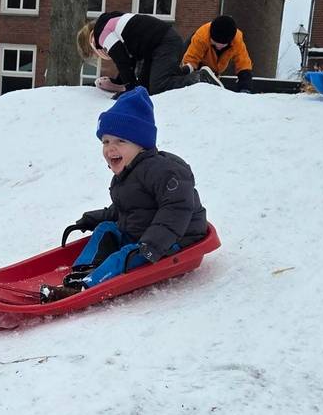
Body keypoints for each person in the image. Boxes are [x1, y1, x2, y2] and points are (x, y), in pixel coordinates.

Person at [40, 87, 208, 303]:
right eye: (106, 141)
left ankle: (85, 288)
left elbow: (176, 210)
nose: (111, 148)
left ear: (141, 145)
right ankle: (83, 272)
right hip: (142, 232)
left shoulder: (164, 171)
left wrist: (152, 245)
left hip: (174, 239)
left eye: (120, 141)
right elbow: (126, 209)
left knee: (125, 254)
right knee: (105, 229)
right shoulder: (127, 172)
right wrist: (94, 218)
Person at [77, 12, 221, 96]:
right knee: (146, 89)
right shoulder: (110, 23)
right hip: (158, 45)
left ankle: (199, 77)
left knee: (159, 86)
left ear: (91, 46)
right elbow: (129, 60)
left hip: (163, 43)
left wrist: (129, 89)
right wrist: (119, 82)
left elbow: (122, 60)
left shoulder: (101, 34)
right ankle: (185, 71)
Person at [182, 15, 255, 93]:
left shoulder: (237, 40)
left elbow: (243, 64)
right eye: (215, 43)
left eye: (223, 44)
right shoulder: (202, 36)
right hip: (198, 62)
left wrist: (245, 86)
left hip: (216, 71)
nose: (219, 47)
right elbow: (191, 60)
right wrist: (187, 73)